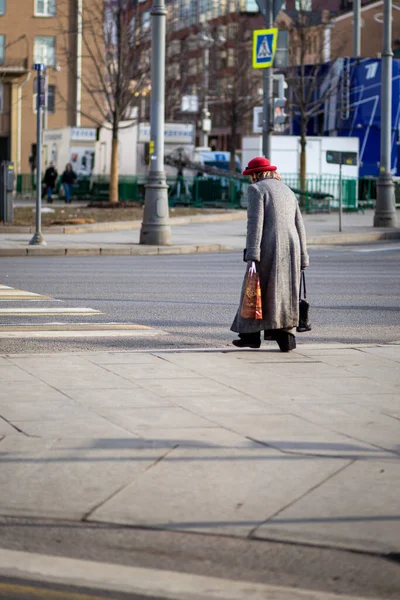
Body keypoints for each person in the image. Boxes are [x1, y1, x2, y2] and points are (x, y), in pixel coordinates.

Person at [231, 156, 309, 353]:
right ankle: (286, 338)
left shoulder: (257, 190)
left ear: (256, 174)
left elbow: (254, 225)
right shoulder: (288, 190)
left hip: (268, 246)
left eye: (251, 175)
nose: (251, 179)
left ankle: (250, 336)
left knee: (254, 290)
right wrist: (303, 255)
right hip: (292, 247)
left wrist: (252, 254)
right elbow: (300, 224)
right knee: (284, 292)